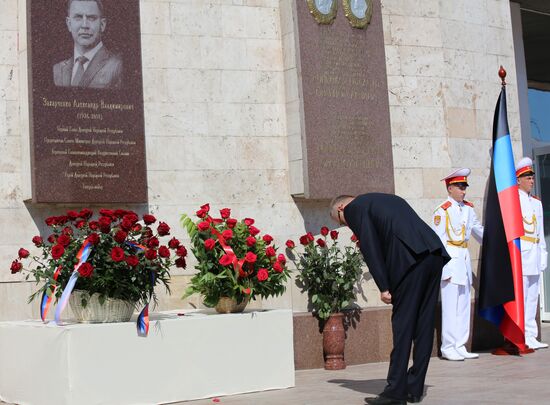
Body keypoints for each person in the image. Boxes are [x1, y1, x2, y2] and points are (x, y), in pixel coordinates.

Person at [330, 193, 450, 405]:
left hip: (410, 262)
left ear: (341, 208)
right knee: (423, 325)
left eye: (342, 222)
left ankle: (394, 393)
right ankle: (414, 389)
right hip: (433, 254)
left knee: (403, 326)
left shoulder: (354, 208)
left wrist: (384, 286)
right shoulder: (384, 199)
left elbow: (370, 246)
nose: (348, 225)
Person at [431, 168, 483, 361]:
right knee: (450, 306)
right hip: (451, 262)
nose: (464, 191)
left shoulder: (468, 209)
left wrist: (498, 239)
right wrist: (444, 267)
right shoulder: (442, 210)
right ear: (450, 187)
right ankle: (448, 346)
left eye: (464, 187)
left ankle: (460, 344)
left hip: (464, 260)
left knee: (463, 305)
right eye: (460, 187)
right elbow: (438, 242)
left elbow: (478, 231)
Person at [515, 157, 548, 350]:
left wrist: (543, 255)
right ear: (518, 180)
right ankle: (522, 335)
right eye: (527, 177)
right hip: (522, 254)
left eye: (532, 177)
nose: (532, 181)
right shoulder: (514, 202)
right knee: (523, 296)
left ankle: (531, 334)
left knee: (533, 297)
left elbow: (540, 232)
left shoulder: (536, 203)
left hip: (534, 253)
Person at [53, 0, 122, 89]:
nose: (84, 25)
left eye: (91, 18)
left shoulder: (118, 66)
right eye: (78, 17)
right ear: (69, 24)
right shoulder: (57, 69)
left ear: (102, 24)